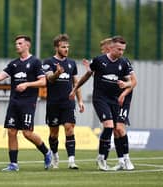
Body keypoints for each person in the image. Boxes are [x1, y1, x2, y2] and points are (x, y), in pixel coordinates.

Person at [0, 35, 52, 171]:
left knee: (27, 133)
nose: (17, 45)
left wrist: (27, 84)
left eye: (20, 43)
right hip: (14, 102)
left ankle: (46, 152)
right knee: (11, 132)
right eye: (16, 43)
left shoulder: (36, 62)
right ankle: (13, 164)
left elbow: (43, 82)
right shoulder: (14, 64)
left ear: (27, 45)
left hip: (28, 103)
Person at [70, 35, 133, 171]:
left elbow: (131, 82)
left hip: (115, 100)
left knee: (116, 128)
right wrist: (75, 88)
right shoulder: (99, 60)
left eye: (123, 50)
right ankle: (102, 158)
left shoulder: (123, 63)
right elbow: (87, 75)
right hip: (100, 98)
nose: (121, 52)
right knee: (109, 126)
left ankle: (122, 160)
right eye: (119, 49)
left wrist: (125, 83)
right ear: (112, 48)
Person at [42, 34, 84, 169]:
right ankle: (54, 156)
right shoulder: (48, 62)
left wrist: (80, 101)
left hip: (68, 103)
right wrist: (57, 73)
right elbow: (49, 79)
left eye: (67, 47)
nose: (66, 49)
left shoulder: (72, 63)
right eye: (63, 47)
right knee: (53, 133)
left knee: (69, 128)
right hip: (53, 103)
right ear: (56, 47)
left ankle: (71, 161)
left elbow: (76, 83)